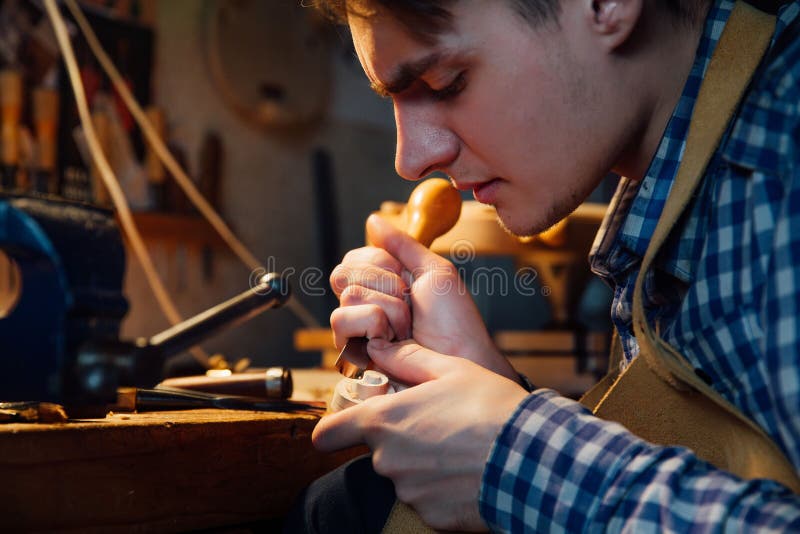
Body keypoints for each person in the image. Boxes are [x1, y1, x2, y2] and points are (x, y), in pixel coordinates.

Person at [286, 0, 800, 531]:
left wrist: (519, 461)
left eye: (447, 83)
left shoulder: (782, 148)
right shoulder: (672, 182)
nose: (411, 159)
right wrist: (491, 395)